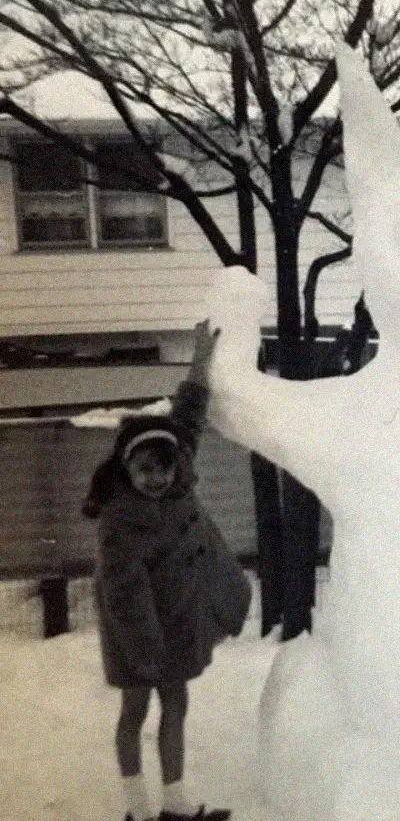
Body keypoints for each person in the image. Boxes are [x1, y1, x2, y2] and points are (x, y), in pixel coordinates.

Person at [83, 322, 251, 821]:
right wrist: (146, 650)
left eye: (164, 468)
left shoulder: (179, 475)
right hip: (135, 629)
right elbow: (124, 594)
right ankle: (136, 809)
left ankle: (175, 805)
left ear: (176, 465)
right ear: (127, 471)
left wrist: (201, 356)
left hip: (176, 616)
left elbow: (190, 411)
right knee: (135, 711)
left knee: (176, 705)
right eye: (144, 471)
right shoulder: (120, 519)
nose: (155, 479)